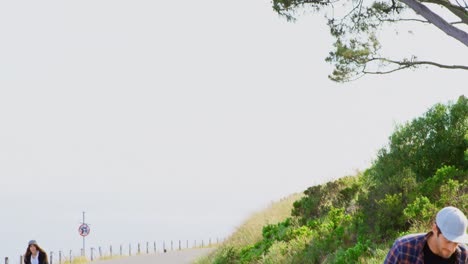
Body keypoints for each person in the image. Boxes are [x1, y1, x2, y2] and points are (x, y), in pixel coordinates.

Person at [384, 206, 468, 263]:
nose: (451, 248)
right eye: (448, 240)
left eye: (456, 242)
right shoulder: (403, 248)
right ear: (435, 229)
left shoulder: (464, 255)